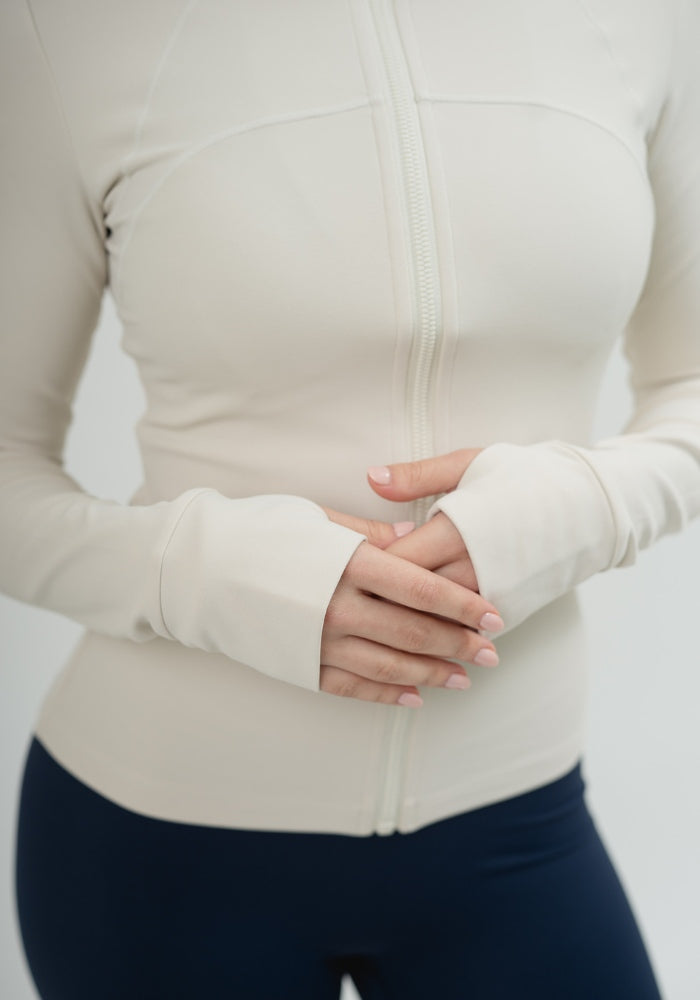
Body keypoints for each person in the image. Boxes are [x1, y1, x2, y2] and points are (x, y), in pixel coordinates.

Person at [2, 1, 698, 997]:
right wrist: (198, 573)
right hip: (161, 845)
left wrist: (588, 501)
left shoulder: (641, 18)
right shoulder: (65, 30)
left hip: (519, 825)